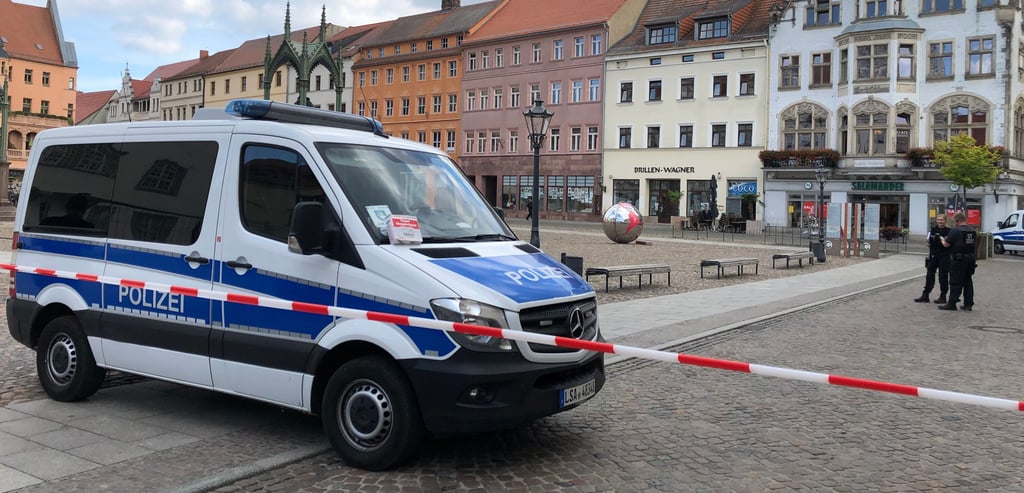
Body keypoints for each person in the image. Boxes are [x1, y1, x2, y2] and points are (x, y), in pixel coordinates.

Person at [938, 212, 977, 311]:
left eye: (954, 222)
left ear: (957, 221)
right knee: (968, 281)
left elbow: (946, 244)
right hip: (970, 259)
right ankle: (968, 304)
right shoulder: (972, 231)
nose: (954, 223)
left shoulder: (955, 230)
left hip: (958, 259)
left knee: (955, 281)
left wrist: (942, 239)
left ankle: (952, 303)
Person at [914, 214, 951, 303]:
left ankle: (943, 296)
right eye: (938, 220)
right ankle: (925, 295)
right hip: (933, 256)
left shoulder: (949, 231)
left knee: (943, 277)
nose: (940, 222)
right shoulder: (933, 230)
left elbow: (948, 244)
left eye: (941, 220)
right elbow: (929, 241)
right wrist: (929, 243)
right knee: (929, 275)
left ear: (945, 221)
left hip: (944, 256)